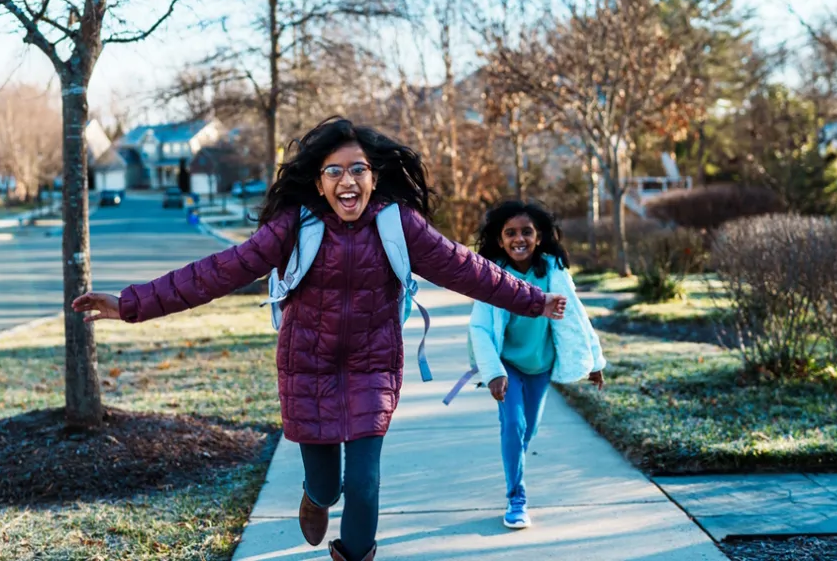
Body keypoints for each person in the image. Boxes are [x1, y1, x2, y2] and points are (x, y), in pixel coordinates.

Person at [71, 117, 569, 561]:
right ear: (318, 181)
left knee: (365, 483)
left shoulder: (400, 225)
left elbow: (467, 268)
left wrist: (534, 299)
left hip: (373, 366)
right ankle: (314, 495)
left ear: (374, 177)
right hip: (307, 368)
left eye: (357, 169)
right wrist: (131, 304)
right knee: (329, 484)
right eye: (334, 171)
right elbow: (218, 271)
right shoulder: (295, 225)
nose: (347, 180)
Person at [459, 200, 606, 530]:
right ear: (499, 240)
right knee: (513, 424)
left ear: (539, 237)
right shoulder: (492, 276)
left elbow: (576, 318)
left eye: (526, 232)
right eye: (510, 233)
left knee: (528, 431)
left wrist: (594, 361)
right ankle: (516, 498)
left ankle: (514, 466)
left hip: (540, 367)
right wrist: (494, 371)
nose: (518, 239)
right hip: (507, 364)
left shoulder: (552, 271)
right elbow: (480, 328)